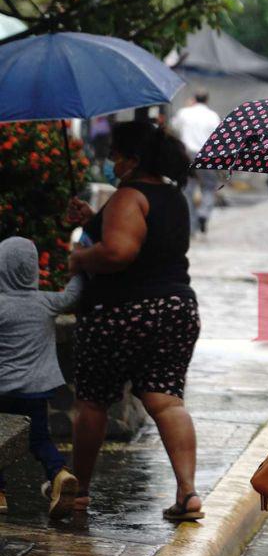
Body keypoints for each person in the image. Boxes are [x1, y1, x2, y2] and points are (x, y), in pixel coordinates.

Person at [66, 121, 203, 520]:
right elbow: (149, 241)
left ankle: (80, 491)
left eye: (116, 155)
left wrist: (79, 258)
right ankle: (188, 494)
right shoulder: (172, 195)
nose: (111, 161)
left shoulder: (130, 195)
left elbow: (119, 252)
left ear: (133, 158)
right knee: (166, 401)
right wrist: (94, 219)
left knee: (92, 401)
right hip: (175, 309)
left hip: (122, 312)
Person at [0, 237, 83, 519]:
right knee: (39, 440)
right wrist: (81, 267)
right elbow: (73, 295)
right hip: (36, 391)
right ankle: (59, 475)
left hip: (3, 389)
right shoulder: (45, 302)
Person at [171, 90, 221, 235]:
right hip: (206, 155)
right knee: (209, 187)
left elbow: (174, 127)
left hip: (187, 154)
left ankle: (191, 225)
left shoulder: (184, 113)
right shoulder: (213, 116)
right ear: (207, 100)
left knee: (187, 189)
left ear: (194, 99)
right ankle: (203, 214)